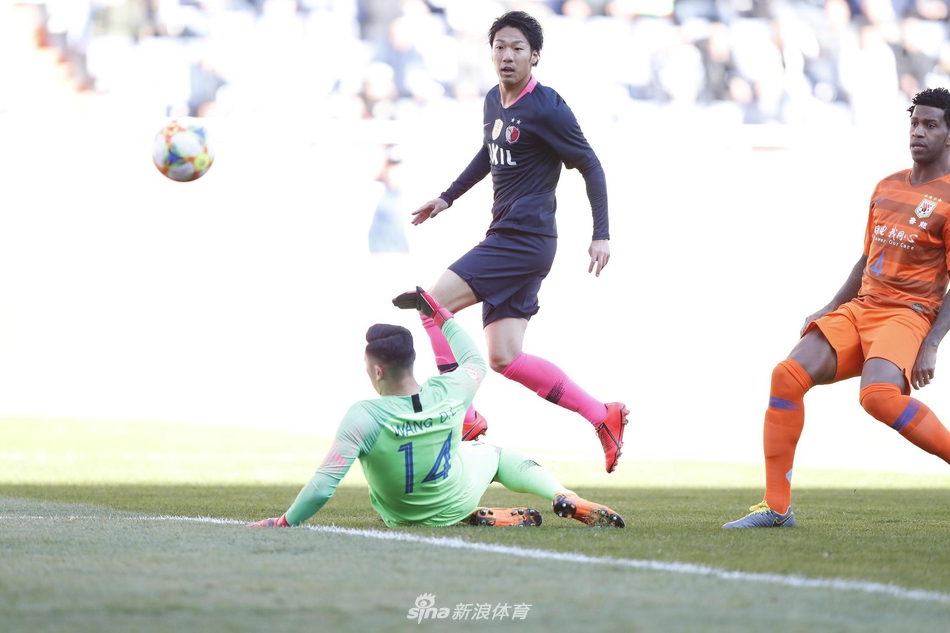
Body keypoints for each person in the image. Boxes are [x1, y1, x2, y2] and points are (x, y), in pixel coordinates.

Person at [409, 10, 628, 473]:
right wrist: (448, 197)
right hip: (511, 237)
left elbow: (591, 164)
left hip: (525, 239)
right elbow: (489, 152)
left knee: (431, 305)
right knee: (504, 357)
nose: (507, 56)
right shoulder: (494, 100)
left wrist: (601, 234)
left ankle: (462, 413)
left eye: (517, 48)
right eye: (500, 47)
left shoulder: (547, 108)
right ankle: (602, 415)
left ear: (535, 56)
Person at [724, 87, 950, 529]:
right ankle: (777, 509)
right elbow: (867, 258)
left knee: (878, 397)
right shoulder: (886, 186)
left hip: (907, 315)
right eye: (914, 123)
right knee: (786, 376)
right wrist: (830, 306)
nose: (918, 132)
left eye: (930, 125)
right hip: (863, 306)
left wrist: (932, 343)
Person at [248, 287, 624, 529]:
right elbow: (474, 359)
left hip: (402, 516)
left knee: (457, 460)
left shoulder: (362, 417)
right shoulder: (452, 390)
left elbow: (321, 487)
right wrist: (437, 312)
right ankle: (564, 496)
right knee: (495, 455)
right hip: (454, 496)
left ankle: (476, 517)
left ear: (377, 371)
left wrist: (282, 523)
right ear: (411, 361)